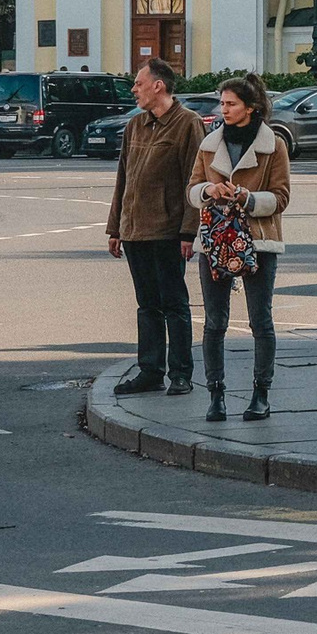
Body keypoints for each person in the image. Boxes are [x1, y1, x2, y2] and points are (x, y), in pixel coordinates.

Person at [188, 75, 291, 424]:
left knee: (260, 320)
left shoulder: (273, 145)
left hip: (258, 239)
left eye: (230, 104)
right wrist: (208, 191)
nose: (223, 109)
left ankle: (260, 394)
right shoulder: (210, 143)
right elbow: (191, 189)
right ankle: (215, 396)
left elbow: (281, 197)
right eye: (223, 103)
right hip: (216, 239)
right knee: (214, 322)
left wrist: (247, 198)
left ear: (251, 108)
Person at [108, 57, 199, 398]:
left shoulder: (187, 124)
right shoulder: (135, 126)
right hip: (134, 232)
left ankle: (180, 373)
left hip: (168, 232)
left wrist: (188, 233)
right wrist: (115, 227)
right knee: (147, 306)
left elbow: (195, 179)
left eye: (139, 83)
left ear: (158, 85)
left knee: (174, 304)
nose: (134, 89)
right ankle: (150, 371)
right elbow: (123, 178)